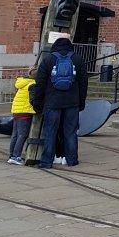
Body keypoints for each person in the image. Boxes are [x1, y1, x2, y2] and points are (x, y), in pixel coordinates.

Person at [33, 32, 87, 169]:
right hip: (72, 102)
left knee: (50, 132)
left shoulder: (47, 59)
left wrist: (37, 103)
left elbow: (40, 84)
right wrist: (81, 102)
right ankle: (72, 160)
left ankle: (46, 162)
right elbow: (83, 84)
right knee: (70, 132)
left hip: (52, 102)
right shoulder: (78, 59)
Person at [7, 66, 36, 165]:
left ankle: (11, 155)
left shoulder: (22, 82)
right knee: (22, 135)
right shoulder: (32, 84)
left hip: (16, 110)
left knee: (15, 134)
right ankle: (16, 156)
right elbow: (33, 100)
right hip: (24, 112)